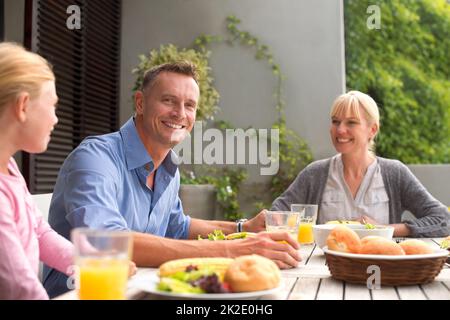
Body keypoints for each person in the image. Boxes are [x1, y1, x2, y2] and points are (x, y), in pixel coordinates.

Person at [44, 61, 300, 297]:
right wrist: (233, 250)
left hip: (142, 290)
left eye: (189, 105)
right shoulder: (95, 158)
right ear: (141, 103)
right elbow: (107, 242)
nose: (180, 113)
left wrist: (243, 229)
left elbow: (179, 227)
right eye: (168, 100)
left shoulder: (168, 168)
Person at [271, 90, 449, 237]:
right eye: (335, 121)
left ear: (372, 130)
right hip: (322, 271)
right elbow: (277, 214)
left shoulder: (395, 173)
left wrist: (384, 230)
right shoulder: (315, 174)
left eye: (351, 122)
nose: (340, 130)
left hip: (382, 268)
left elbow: (443, 220)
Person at [0, 42, 74, 299]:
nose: (55, 118)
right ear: (23, 106)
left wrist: (90, 263)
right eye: (52, 105)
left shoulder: (9, 167)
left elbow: (39, 232)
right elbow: (20, 289)